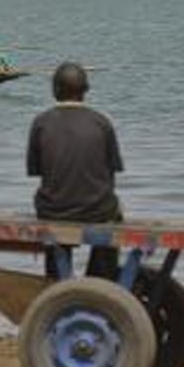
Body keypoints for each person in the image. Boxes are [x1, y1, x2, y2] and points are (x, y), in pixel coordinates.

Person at [27, 62, 124, 278]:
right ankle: (99, 277)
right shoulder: (102, 123)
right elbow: (111, 174)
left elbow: (39, 173)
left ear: (54, 90)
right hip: (98, 210)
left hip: (53, 210)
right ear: (86, 91)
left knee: (54, 225)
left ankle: (56, 281)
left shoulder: (41, 123)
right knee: (113, 217)